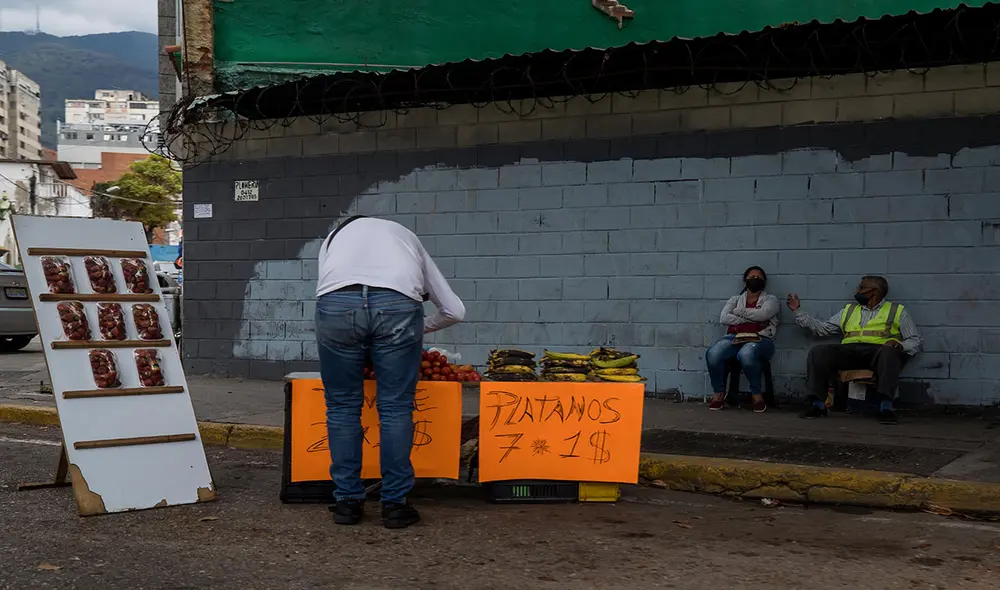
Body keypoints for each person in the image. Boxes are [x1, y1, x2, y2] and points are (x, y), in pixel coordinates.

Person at [315, 215, 465, 529]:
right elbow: (454, 311)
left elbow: (328, 287)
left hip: (336, 305)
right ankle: (395, 506)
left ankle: (347, 502)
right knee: (396, 408)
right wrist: (416, 327)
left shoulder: (332, 239)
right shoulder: (407, 237)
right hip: (397, 304)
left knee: (342, 407)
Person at [787, 275, 921, 425]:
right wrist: (798, 311)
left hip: (878, 352)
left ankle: (885, 407)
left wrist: (899, 345)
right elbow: (823, 329)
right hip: (850, 351)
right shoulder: (849, 310)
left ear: (875, 291)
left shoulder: (897, 311)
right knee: (819, 352)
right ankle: (818, 405)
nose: (857, 290)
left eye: (862, 287)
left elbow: (914, 340)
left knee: (888, 353)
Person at [706, 266, 780, 413]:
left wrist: (739, 313)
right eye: (752, 277)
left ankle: (756, 395)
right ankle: (718, 394)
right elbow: (724, 318)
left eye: (759, 277)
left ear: (764, 281)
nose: (755, 279)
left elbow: (763, 315)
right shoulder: (735, 299)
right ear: (745, 280)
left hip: (761, 339)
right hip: (734, 338)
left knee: (746, 354)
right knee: (713, 353)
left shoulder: (771, 299)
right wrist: (753, 320)